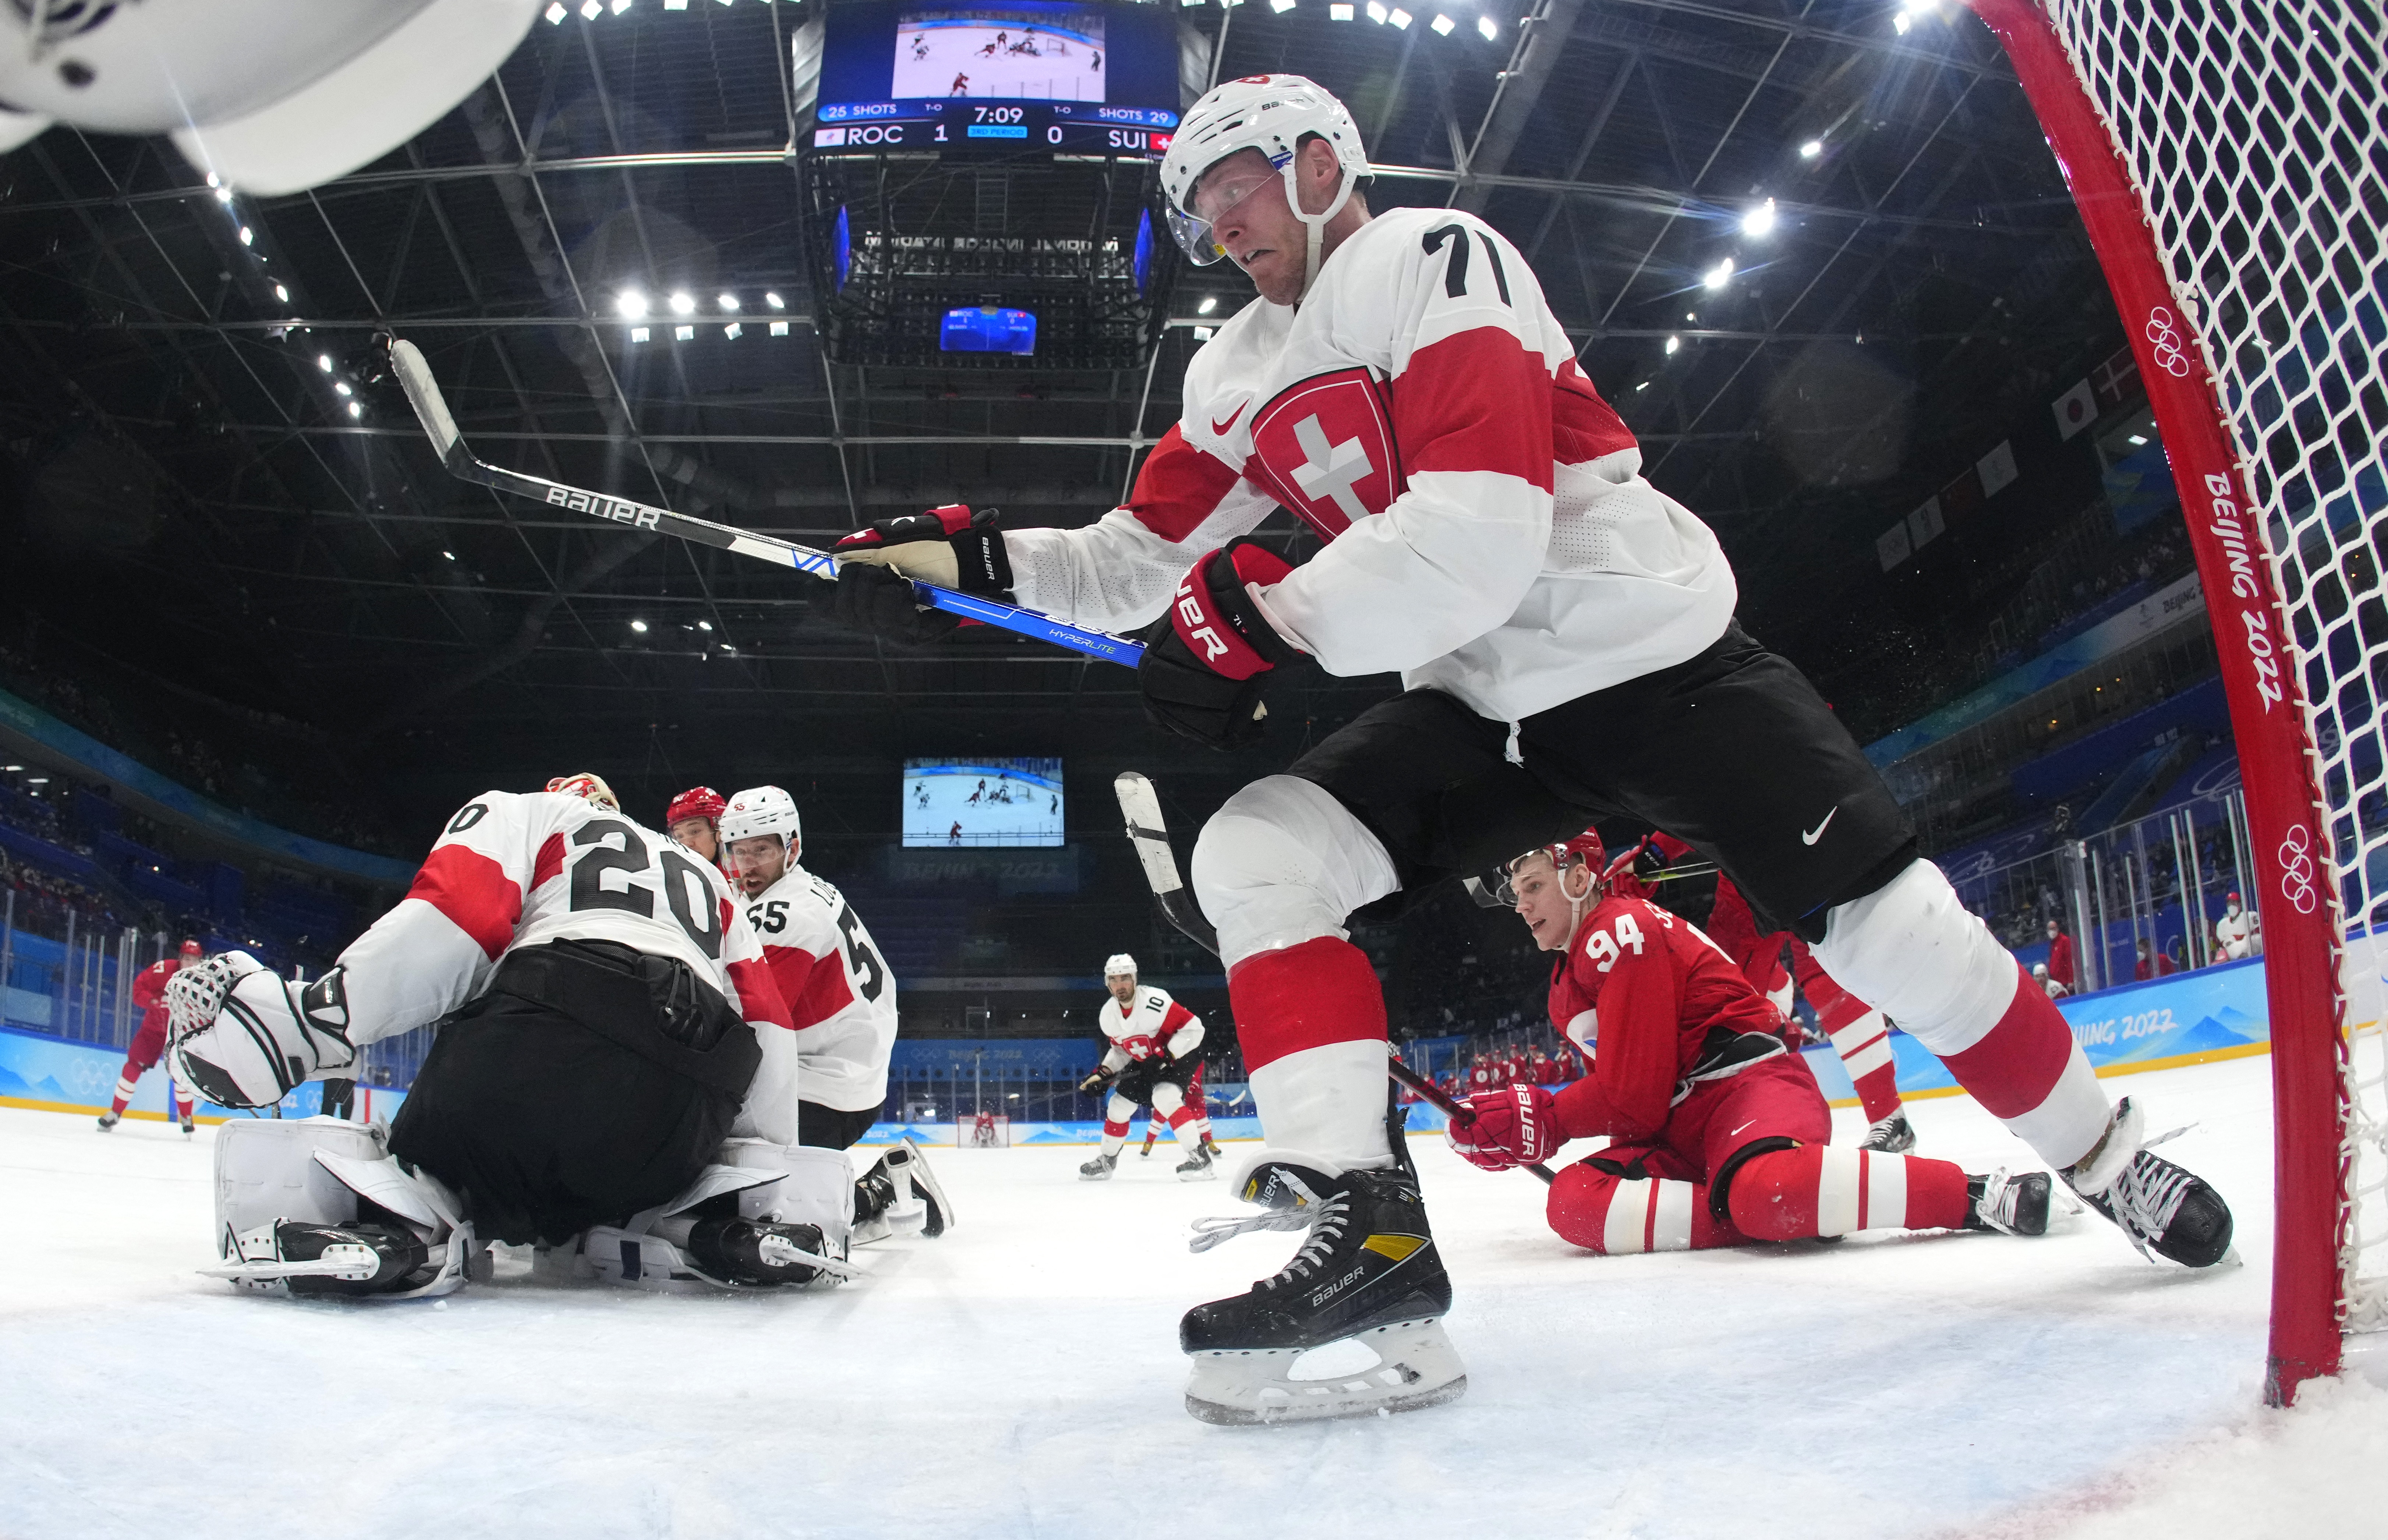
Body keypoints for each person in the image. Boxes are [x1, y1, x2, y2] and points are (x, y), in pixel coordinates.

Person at [826, 72, 2232, 1424]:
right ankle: (1367, 1249)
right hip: (1485, 709)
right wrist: (970, 558)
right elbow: (1134, 561)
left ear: (1322, 165)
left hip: (1642, 656)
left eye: (1237, 185)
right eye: (1196, 207)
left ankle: (2100, 1156)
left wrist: (1260, 618)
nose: (1216, 225)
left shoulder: (1433, 255)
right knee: (1254, 851)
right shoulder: (1230, 370)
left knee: (1885, 932)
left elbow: (1477, 532)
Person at [166, 773, 852, 1298]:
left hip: (535, 1051)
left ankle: (410, 1228)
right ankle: (702, 1226)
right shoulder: (710, 878)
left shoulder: (527, 810)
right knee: (638, 1194)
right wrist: (755, 1173)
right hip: (675, 1117)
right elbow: (767, 1024)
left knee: (437, 1165)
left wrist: (322, 1020)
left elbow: (454, 924)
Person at [1455, 833, 2053, 1258]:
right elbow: (1637, 1108)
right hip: (1681, 1127)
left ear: (1578, 877)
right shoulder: (1569, 976)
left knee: (1765, 1191)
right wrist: (1516, 1125)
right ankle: (1773, 1206)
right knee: (1573, 1202)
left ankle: (1975, 1195)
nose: (1521, 904)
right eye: (1517, 891)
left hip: (1750, 1090)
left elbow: (1632, 1096)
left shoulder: (1618, 928)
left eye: (1532, 886)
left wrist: (1545, 1118)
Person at [719, 785, 951, 1242]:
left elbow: (749, 1019)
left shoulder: (786, 910)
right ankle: (880, 1182)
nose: (747, 865)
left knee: (726, 1193)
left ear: (793, 847)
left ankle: (881, 1189)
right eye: (739, 851)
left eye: (761, 850)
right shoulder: (801, 886)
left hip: (821, 1088)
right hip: (837, 1078)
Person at [1607, 833, 1915, 1153]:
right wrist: (1655, 852)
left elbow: (1700, 789)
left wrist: (1657, 851)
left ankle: (1888, 1117)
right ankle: (1770, 1111)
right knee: (1725, 985)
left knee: (1823, 964)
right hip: (1748, 862)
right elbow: (1701, 789)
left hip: (1797, 838)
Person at [1075, 954, 1218, 1181]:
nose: (1120, 985)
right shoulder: (1108, 1016)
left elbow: (1194, 1029)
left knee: (1165, 1096)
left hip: (1181, 1054)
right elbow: (1122, 1051)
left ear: (1134, 979)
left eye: (1125, 978)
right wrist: (1103, 1073)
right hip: (1149, 1060)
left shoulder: (1155, 1001)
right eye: (1114, 979)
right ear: (1107, 983)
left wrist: (1166, 1055)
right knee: (1118, 1106)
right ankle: (1107, 1161)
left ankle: (1200, 1159)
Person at [100, 938, 203, 1135]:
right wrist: (154, 1002)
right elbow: (139, 989)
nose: (191, 964)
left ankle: (186, 1116)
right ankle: (114, 1113)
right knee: (131, 1069)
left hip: (181, 1036)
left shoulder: (203, 980)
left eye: (195, 960)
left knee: (183, 1076)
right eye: (187, 958)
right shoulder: (163, 970)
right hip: (153, 1031)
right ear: (180, 958)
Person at [664, 785, 727, 868]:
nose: (687, 844)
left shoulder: (745, 873)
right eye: (679, 836)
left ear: (720, 831)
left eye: (695, 832)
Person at [2215, 892, 2256, 960]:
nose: (2231, 906)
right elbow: (2225, 945)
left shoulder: (2250, 916)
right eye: (2229, 904)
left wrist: (2237, 938)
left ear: (2240, 904)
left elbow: (2258, 936)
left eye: (2234, 903)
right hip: (2233, 955)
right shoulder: (2222, 924)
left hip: (2251, 951)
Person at [2044, 919, 2077, 993]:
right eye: (2050, 929)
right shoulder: (2053, 944)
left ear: (2058, 929)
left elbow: (2069, 961)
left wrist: (2071, 981)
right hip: (2056, 982)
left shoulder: (2064, 941)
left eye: (2054, 929)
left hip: (2065, 982)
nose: (2052, 931)